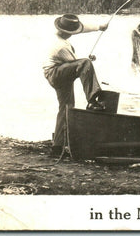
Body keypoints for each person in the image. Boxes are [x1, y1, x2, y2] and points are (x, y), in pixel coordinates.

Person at [43, 14, 109, 155]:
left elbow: (82, 28)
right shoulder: (60, 46)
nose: (74, 34)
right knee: (85, 63)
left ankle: (57, 146)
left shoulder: (60, 35)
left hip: (58, 71)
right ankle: (92, 99)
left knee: (66, 108)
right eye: (72, 33)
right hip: (55, 73)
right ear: (66, 32)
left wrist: (99, 27)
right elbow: (79, 64)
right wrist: (88, 60)